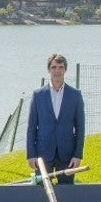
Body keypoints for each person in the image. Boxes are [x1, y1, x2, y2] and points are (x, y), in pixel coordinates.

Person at [26, 52, 85, 185]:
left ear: (65, 69)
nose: (57, 71)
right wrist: (31, 155)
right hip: (43, 154)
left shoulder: (75, 95)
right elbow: (31, 127)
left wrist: (77, 155)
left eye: (60, 67)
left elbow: (80, 128)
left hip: (67, 155)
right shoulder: (38, 95)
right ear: (48, 70)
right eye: (54, 67)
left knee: (67, 194)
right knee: (42, 192)